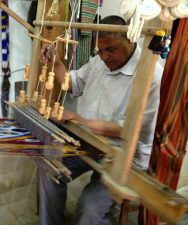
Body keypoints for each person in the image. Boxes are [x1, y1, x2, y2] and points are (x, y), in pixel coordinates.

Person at [39, 15, 163, 225]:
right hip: (87, 142)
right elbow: (72, 84)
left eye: (111, 50)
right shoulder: (99, 61)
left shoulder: (150, 74)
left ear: (130, 40)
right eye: (101, 51)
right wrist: (56, 63)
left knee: (89, 208)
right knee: (48, 164)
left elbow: (130, 130)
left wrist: (81, 121)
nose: (104, 56)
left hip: (121, 155)